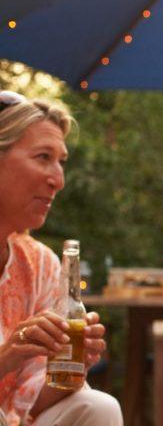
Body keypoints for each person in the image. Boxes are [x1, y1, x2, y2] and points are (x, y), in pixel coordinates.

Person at [0, 91, 122, 426]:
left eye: (61, 161)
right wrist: (7, 356)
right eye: (43, 157)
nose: (58, 180)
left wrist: (71, 365)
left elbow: (32, 400)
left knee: (98, 407)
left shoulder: (38, 264)